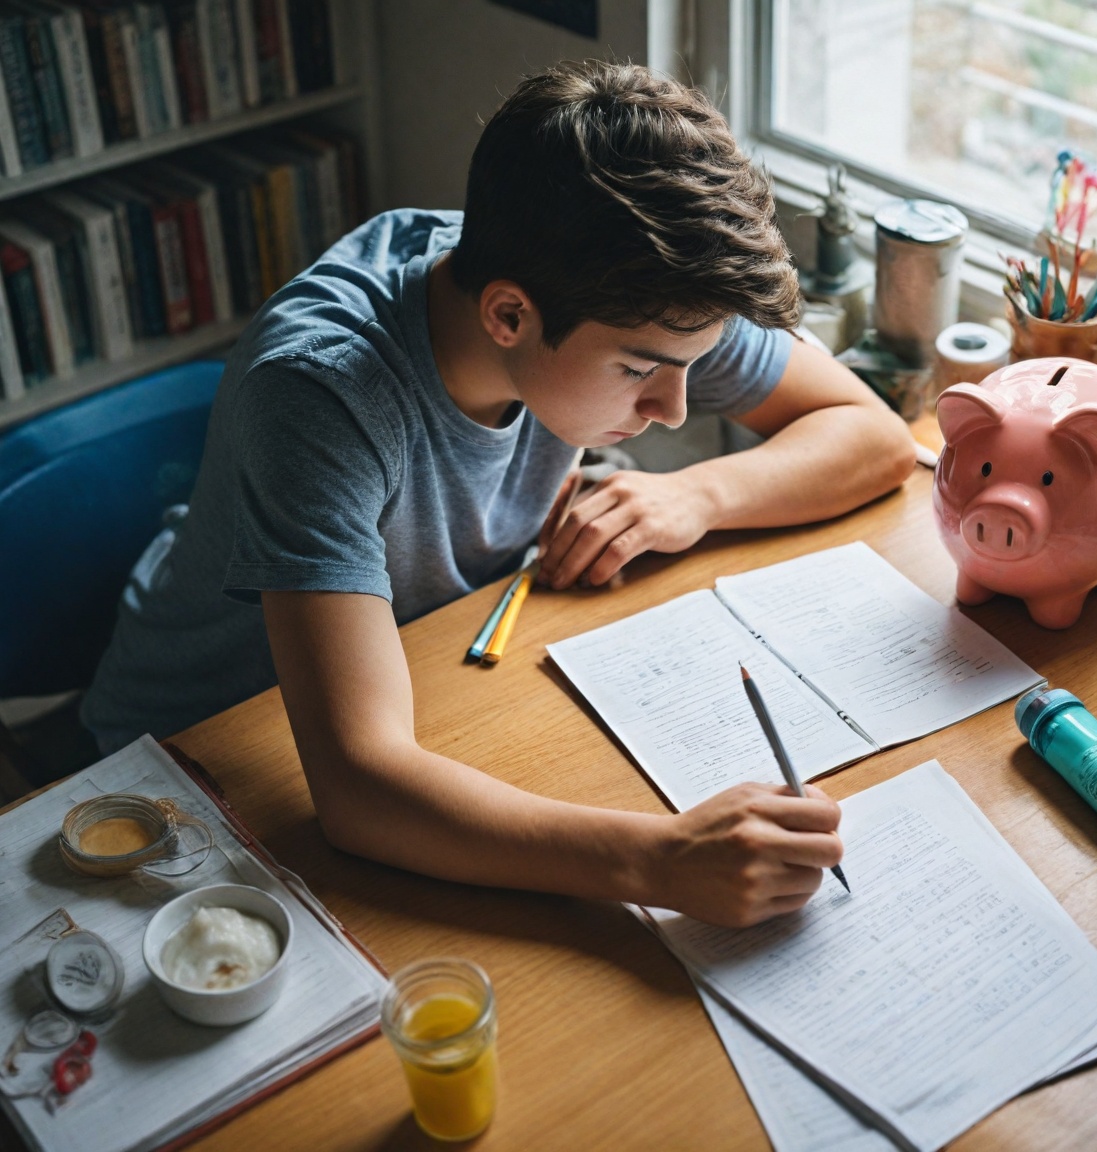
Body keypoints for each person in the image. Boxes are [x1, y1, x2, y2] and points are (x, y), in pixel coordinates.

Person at [82, 60, 914, 927]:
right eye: (639, 372)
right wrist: (659, 860)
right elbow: (359, 791)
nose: (672, 410)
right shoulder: (321, 392)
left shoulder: (620, 274)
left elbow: (875, 439)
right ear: (509, 318)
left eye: (691, 370)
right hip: (196, 753)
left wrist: (696, 497)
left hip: (433, 654)